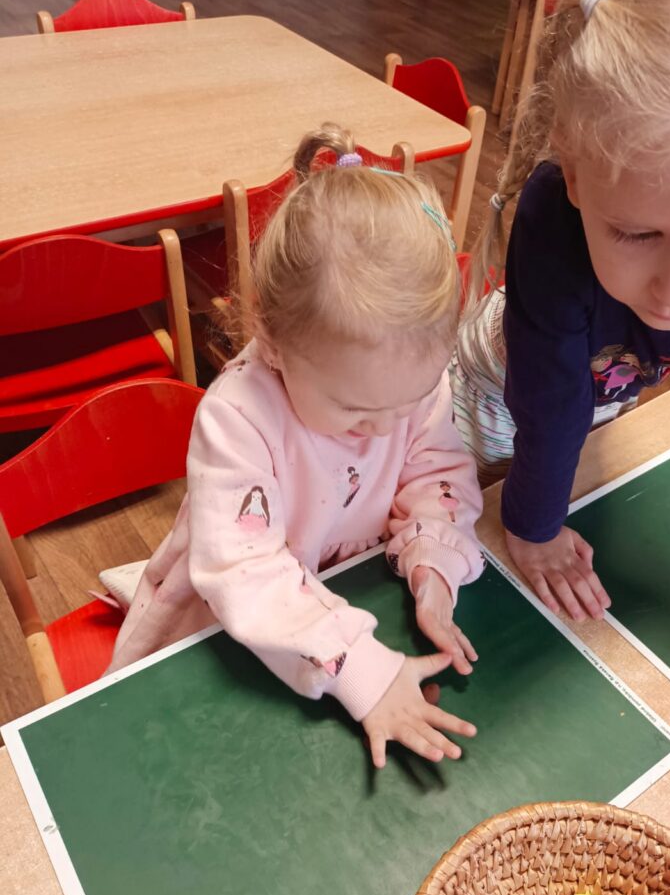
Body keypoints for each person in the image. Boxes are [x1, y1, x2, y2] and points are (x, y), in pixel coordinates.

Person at [107, 124, 485, 767]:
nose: (386, 428)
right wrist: (364, 670)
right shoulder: (238, 419)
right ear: (273, 340)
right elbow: (249, 574)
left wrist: (432, 566)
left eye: (409, 403)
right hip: (220, 635)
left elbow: (435, 473)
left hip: (341, 596)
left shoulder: (403, 384)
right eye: (356, 410)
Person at [450, 0, 670, 713]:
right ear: (572, 176)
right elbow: (548, 399)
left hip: (602, 390)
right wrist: (533, 527)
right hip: (491, 397)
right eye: (636, 232)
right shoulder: (550, 220)